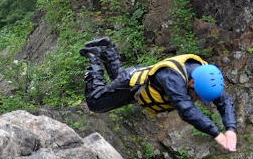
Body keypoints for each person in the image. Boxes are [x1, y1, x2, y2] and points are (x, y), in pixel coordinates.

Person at [80, 37, 238, 151]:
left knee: (116, 81)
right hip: (132, 85)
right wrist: (217, 134)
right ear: (192, 83)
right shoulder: (173, 78)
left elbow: (224, 101)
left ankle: (107, 49)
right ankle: (93, 57)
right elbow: (187, 110)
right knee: (96, 103)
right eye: (197, 94)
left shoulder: (206, 75)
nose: (197, 98)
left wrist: (230, 129)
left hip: (138, 77)